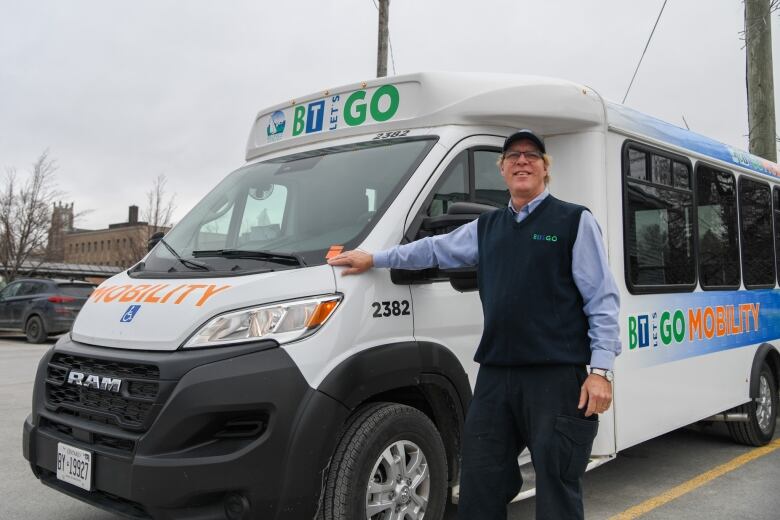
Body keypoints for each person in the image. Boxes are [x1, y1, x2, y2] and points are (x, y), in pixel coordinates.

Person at [328, 129, 620, 520]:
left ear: (545, 169)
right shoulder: (488, 228)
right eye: (513, 155)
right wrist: (375, 259)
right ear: (501, 169)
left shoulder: (573, 221)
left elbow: (602, 300)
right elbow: (433, 249)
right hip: (497, 378)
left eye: (532, 155)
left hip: (556, 377)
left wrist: (600, 371)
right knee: (480, 482)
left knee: (557, 484)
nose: (521, 161)